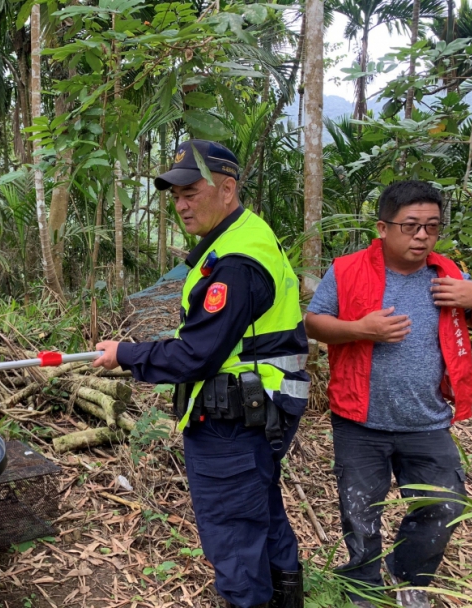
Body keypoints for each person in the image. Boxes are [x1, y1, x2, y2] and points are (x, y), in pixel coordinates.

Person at [92, 140, 310, 608]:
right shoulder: (243, 236)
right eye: (175, 197)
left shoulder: (235, 262)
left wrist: (126, 353)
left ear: (227, 189)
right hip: (261, 410)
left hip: (235, 419)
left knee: (233, 533)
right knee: (262, 514)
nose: (182, 205)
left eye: (191, 192)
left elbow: (197, 354)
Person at [304, 180, 472, 608]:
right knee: (360, 513)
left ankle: (409, 576)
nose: (422, 236)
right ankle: (362, 584)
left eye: (432, 227)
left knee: (445, 506)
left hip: (427, 421)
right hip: (360, 420)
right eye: (411, 226)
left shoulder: (449, 274)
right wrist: (361, 329)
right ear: (383, 227)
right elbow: (314, 322)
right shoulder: (346, 270)